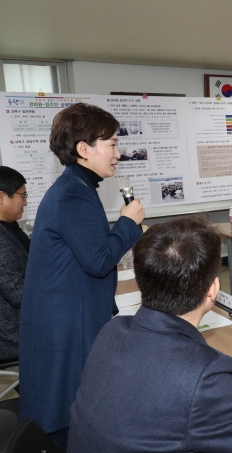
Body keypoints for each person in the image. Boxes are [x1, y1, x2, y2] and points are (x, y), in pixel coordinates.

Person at [68, 218, 232, 452]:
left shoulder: (111, 331)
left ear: (140, 282)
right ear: (213, 289)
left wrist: (231, 391)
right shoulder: (205, 375)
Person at [19, 103, 145, 448]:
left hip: (67, 312)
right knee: (62, 406)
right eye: (113, 144)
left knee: (63, 400)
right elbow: (99, 259)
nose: (119, 154)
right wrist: (128, 224)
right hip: (64, 322)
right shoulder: (73, 193)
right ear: (84, 149)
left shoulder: (76, 188)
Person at [0, 167, 29, 361]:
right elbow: (19, 294)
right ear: (2, 197)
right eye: (22, 196)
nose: (26, 202)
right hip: (10, 334)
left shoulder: (10, 228)